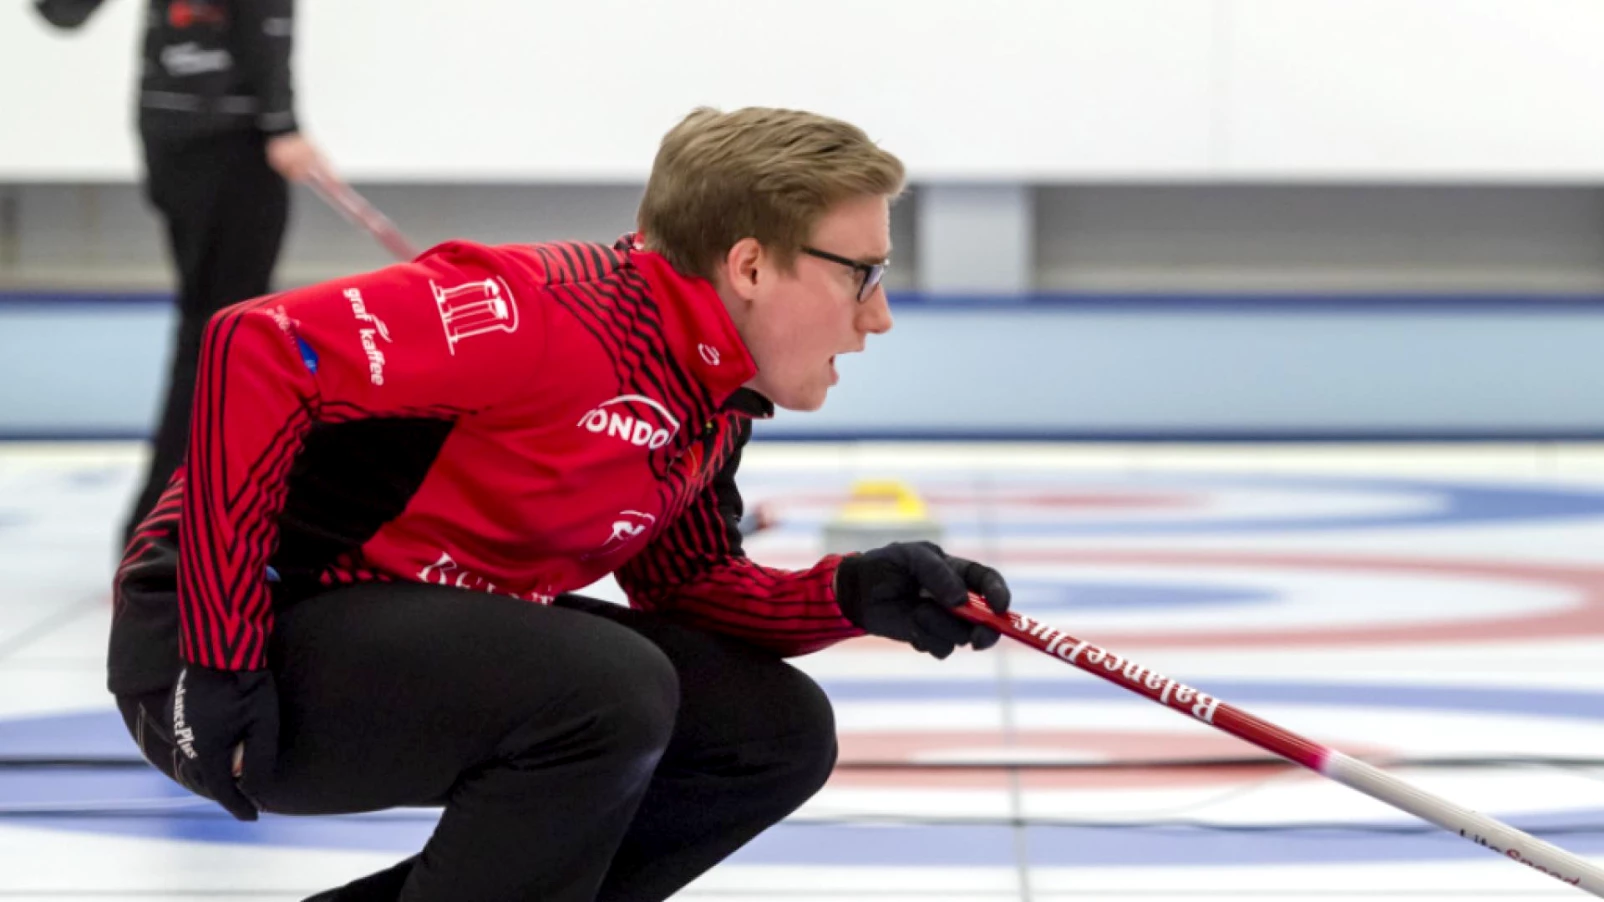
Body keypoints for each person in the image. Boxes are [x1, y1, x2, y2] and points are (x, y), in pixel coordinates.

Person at [109, 106, 1012, 902]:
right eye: (863, 273)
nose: (878, 313)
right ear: (749, 264)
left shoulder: (710, 397)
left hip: (398, 637)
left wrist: (851, 594)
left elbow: (688, 584)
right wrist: (220, 662)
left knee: (771, 733)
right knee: (609, 691)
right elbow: (256, 345)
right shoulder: (542, 308)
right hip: (230, 644)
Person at [32, 0, 329, 545]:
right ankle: (166, 533)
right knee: (223, 337)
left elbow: (60, 11)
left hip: (175, 134)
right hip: (227, 139)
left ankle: (172, 526)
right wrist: (282, 122)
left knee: (214, 332)